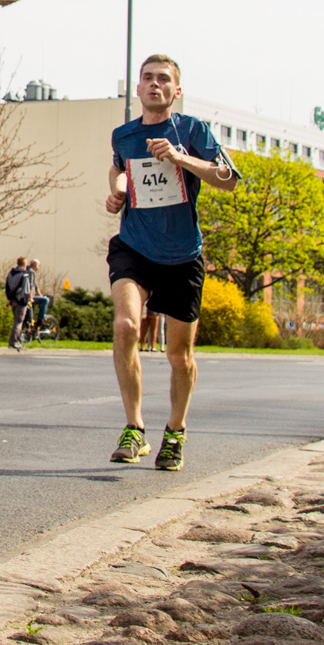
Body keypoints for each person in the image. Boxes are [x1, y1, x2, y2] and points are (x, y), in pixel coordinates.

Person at [104, 55, 238, 471]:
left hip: (183, 256)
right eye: (147, 79)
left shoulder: (193, 130)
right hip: (135, 246)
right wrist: (119, 191)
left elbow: (229, 179)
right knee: (126, 325)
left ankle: (176, 432)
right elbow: (118, 168)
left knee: (180, 355)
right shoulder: (123, 135)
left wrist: (181, 159)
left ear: (176, 91)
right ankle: (134, 428)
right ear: (138, 88)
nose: (155, 85)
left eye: (164, 80)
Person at [6, 257, 32, 350]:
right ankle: (14, 342)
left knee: (15, 321)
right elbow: (24, 288)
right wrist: (26, 300)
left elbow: (7, 286)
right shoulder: (24, 274)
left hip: (13, 301)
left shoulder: (11, 273)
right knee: (18, 322)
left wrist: (9, 298)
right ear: (25, 264)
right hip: (20, 301)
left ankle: (14, 341)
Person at [28, 258, 51, 336]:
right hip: (29, 297)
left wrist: (40, 294)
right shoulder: (31, 272)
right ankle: (40, 319)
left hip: (27, 296)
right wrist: (31, 297)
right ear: (35, 265)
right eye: (39, 265)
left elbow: (35, 285)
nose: (39, 267)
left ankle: (33, 328)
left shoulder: (27, 271)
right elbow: (31, 285)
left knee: (30, 316)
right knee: (45, 300)